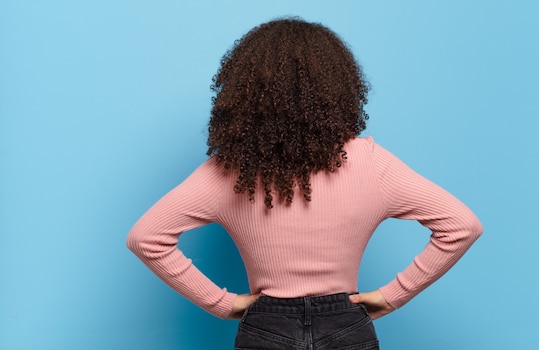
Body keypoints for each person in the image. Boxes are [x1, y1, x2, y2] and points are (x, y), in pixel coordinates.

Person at [127, 18, 483, 349]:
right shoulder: (371, 161)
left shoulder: (231, 168)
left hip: (265, 326)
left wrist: (224, 304)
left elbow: (146, 238)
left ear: (245, 90)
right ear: (338, 87)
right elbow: (462, 226)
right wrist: (393, 295)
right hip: (347, 324)